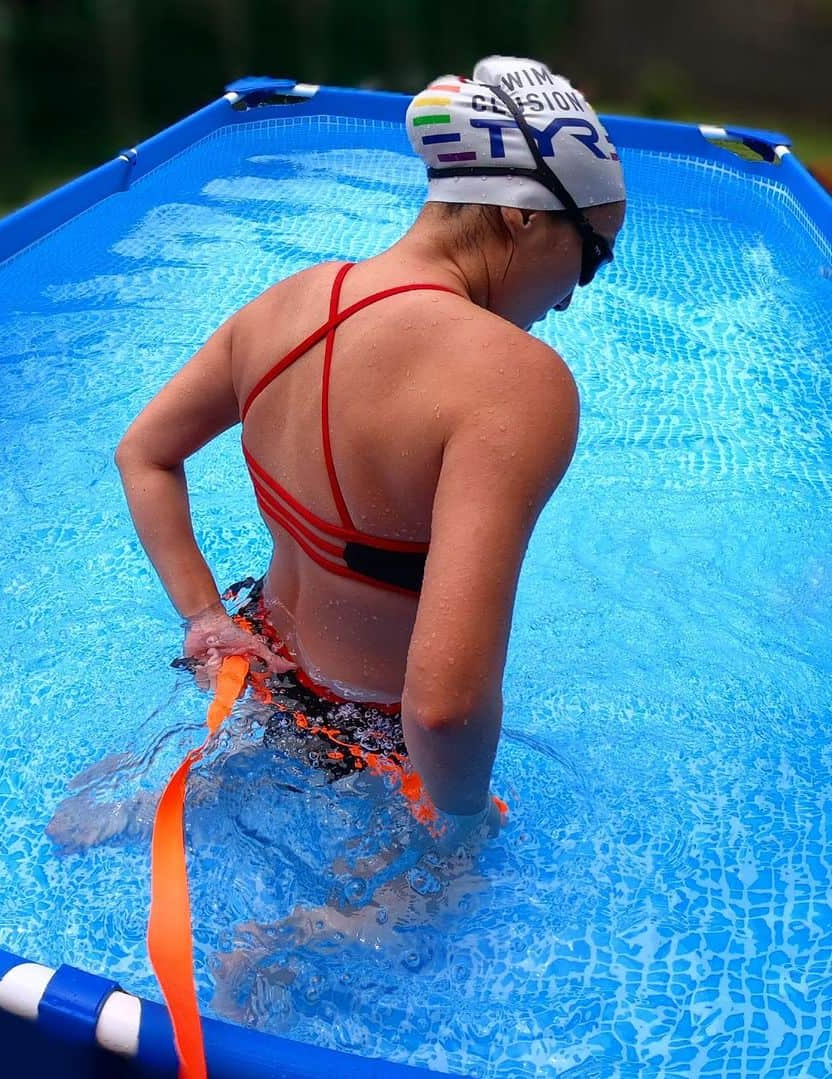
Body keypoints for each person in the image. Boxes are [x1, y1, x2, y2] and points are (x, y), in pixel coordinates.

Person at [113, 56, 626, 828]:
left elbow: (144, 454)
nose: (572, 297)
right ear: (523, 215)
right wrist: (463, 822)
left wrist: (204, 618)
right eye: (592, 256)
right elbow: (445, 708)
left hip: (256, 672)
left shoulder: (283, 305)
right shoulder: (518, 382)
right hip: (381, 744)